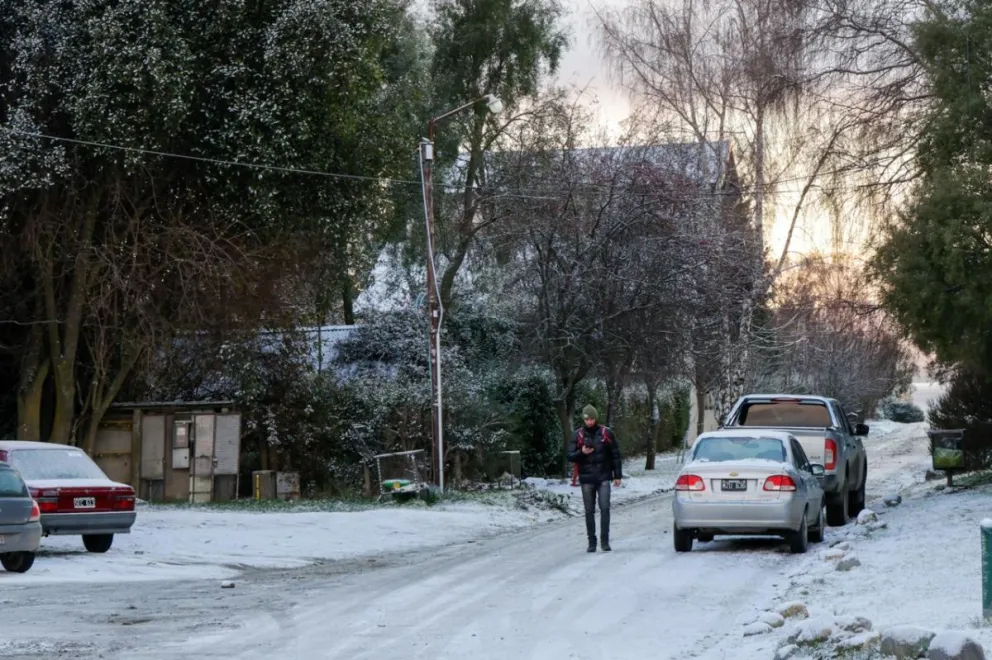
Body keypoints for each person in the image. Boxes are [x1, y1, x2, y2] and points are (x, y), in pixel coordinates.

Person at [567, 405, 622, 552]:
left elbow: (615, 455)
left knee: (605, 509)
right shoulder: (577, 435)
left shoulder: (606, 433)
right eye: (586, 419)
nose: (589, 422)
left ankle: (605, 541)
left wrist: (617, 475)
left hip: (603, 476)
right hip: (586, 478)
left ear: (595, 418)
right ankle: (592, 542)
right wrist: (582, 452)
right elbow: (570, 456)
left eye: (591, 419)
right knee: (589, 510)